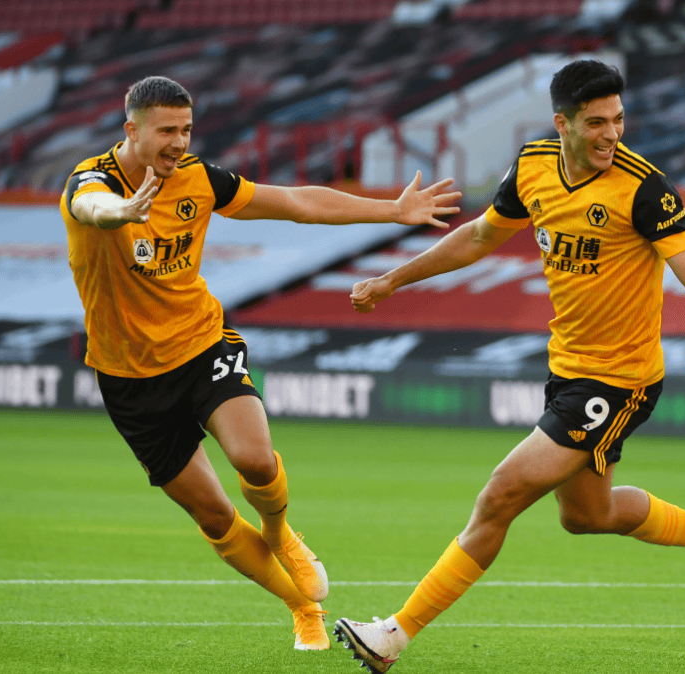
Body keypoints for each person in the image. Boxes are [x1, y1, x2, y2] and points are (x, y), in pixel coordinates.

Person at [333, 60, 685, 673]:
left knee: (500, 494)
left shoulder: (645, 189)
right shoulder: (533, 166)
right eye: (596, 123)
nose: (612, 134)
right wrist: (394, 279)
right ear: (563, 124)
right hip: (568, 370)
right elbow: (480, 237)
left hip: (620, 380)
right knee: (587, 516)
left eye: (618, 119)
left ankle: (392, 636)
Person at [59, 76, 461, 651]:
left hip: (200, 345)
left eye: (186, 130)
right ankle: (302, 607)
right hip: (129, 378)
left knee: (254, 458)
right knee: (213, 516)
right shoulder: (91, 181)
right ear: (132, 130)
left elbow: (296, 202)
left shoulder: (199, 178)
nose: (179, 142)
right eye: (167, 131)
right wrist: (121, 210)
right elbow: (89, 206)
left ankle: (280, 533)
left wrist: (391, 210)